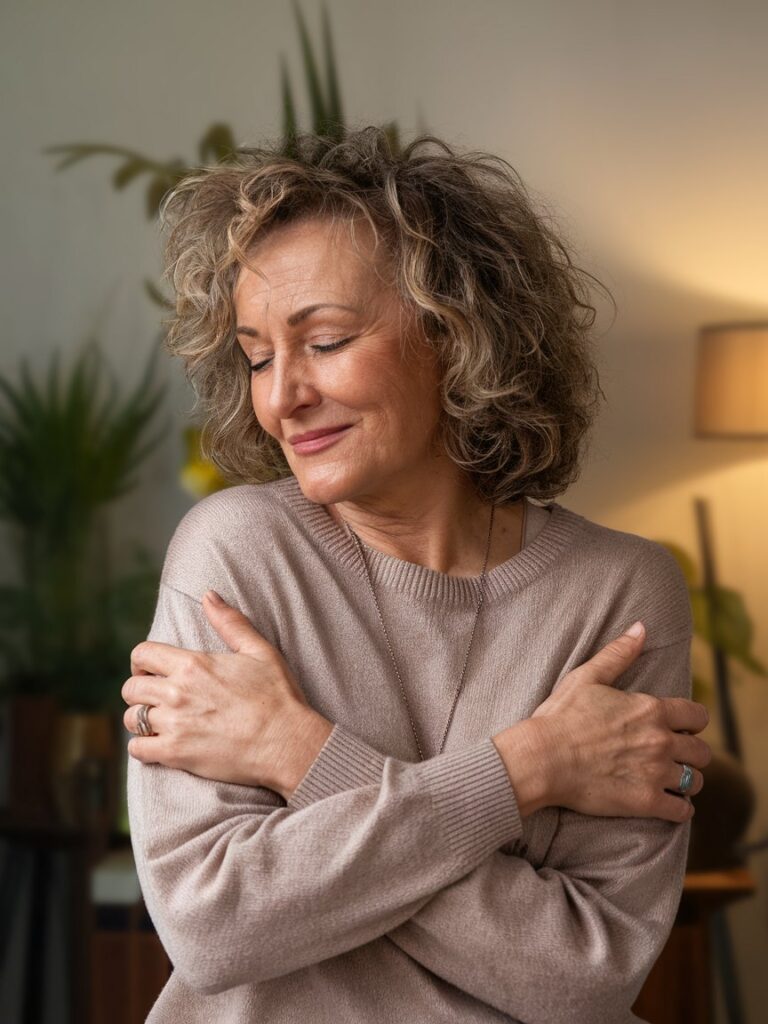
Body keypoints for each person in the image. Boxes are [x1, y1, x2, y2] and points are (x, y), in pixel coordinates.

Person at [123, 127, 711, 1024]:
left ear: (457, 331)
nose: (282, 397)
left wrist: (297, 756)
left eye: (324, 341)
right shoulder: (233, 555)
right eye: (257, 356)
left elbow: (585, 977)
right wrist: (526, 767)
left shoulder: (620, 594)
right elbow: (215, 928)